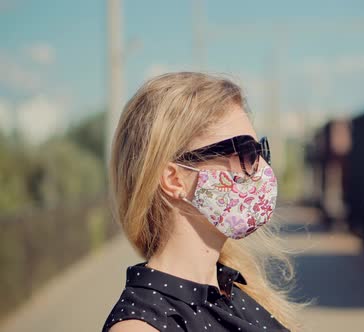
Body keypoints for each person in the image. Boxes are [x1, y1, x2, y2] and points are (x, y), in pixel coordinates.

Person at [101, 72, 306, 332]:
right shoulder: (142, 326)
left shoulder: (233, 288)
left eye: (260, 150)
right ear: (174, 179)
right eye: (245, 152)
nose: (262, 167)